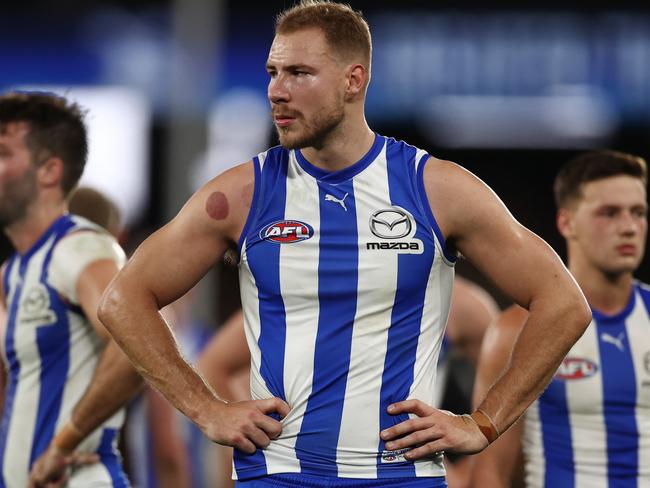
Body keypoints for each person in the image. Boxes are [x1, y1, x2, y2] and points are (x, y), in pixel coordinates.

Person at [97, 1, 591, 486]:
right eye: (272, 72)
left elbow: (563, 303)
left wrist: (482, 422)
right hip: (278, 476)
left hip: (402, 477)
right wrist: (206, 411)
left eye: (299, 73)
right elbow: (123, 300)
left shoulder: (438, 190)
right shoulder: (242, 196)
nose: (276, 91)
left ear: (354, 80)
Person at [195, 276, 498, 487]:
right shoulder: (308, 286)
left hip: (403, 470)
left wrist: (471, 463)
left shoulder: (463, 306)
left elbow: (497, 388)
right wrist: (247, 443)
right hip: (300, 471)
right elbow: (214, 365)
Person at [470, 150, 650, 487]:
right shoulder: (516, 329)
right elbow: (490, 471)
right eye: (609, 213)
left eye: (638, 213)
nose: (628, 227)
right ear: (566, 222)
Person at [0, 91, 142, 488]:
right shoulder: (12, 271)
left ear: (48, 171)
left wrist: (63, 444)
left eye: (2, 152)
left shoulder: (80, 248)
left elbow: (136, 348)